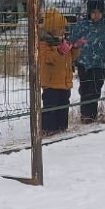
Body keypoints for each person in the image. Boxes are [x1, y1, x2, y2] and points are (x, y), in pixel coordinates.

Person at [37, 7, 79, 135]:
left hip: (64, 81)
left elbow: (72, 57)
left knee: (63, 105)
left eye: (63, 28)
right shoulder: (44, 44)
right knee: (51, 106)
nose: (63, 31)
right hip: (51, 83)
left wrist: (75, 47)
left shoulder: (62, 41)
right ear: (52, 29)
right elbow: (48, 60)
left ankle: (61, 127)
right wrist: (59, 51)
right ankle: (48, 129)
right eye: (60, 28)